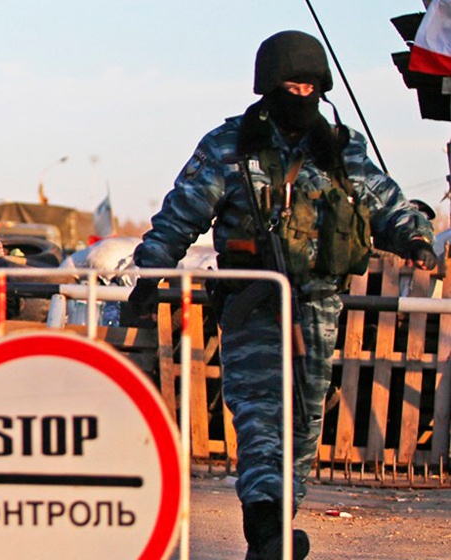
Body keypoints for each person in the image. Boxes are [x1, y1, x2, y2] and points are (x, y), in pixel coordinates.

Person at [126, 30, 437, 560]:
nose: (302, 95)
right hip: (255, 303)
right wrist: (151, 272)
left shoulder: (339, 149)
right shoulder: (231, 145)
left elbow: (383, 201)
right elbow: (181, 214)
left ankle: (272, 535)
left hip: (317, 307)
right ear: (269, 87)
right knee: (259, 419)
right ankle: (267, 528)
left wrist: (415, 238)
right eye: (292, 86)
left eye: (311, 87)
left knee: (302, 425)